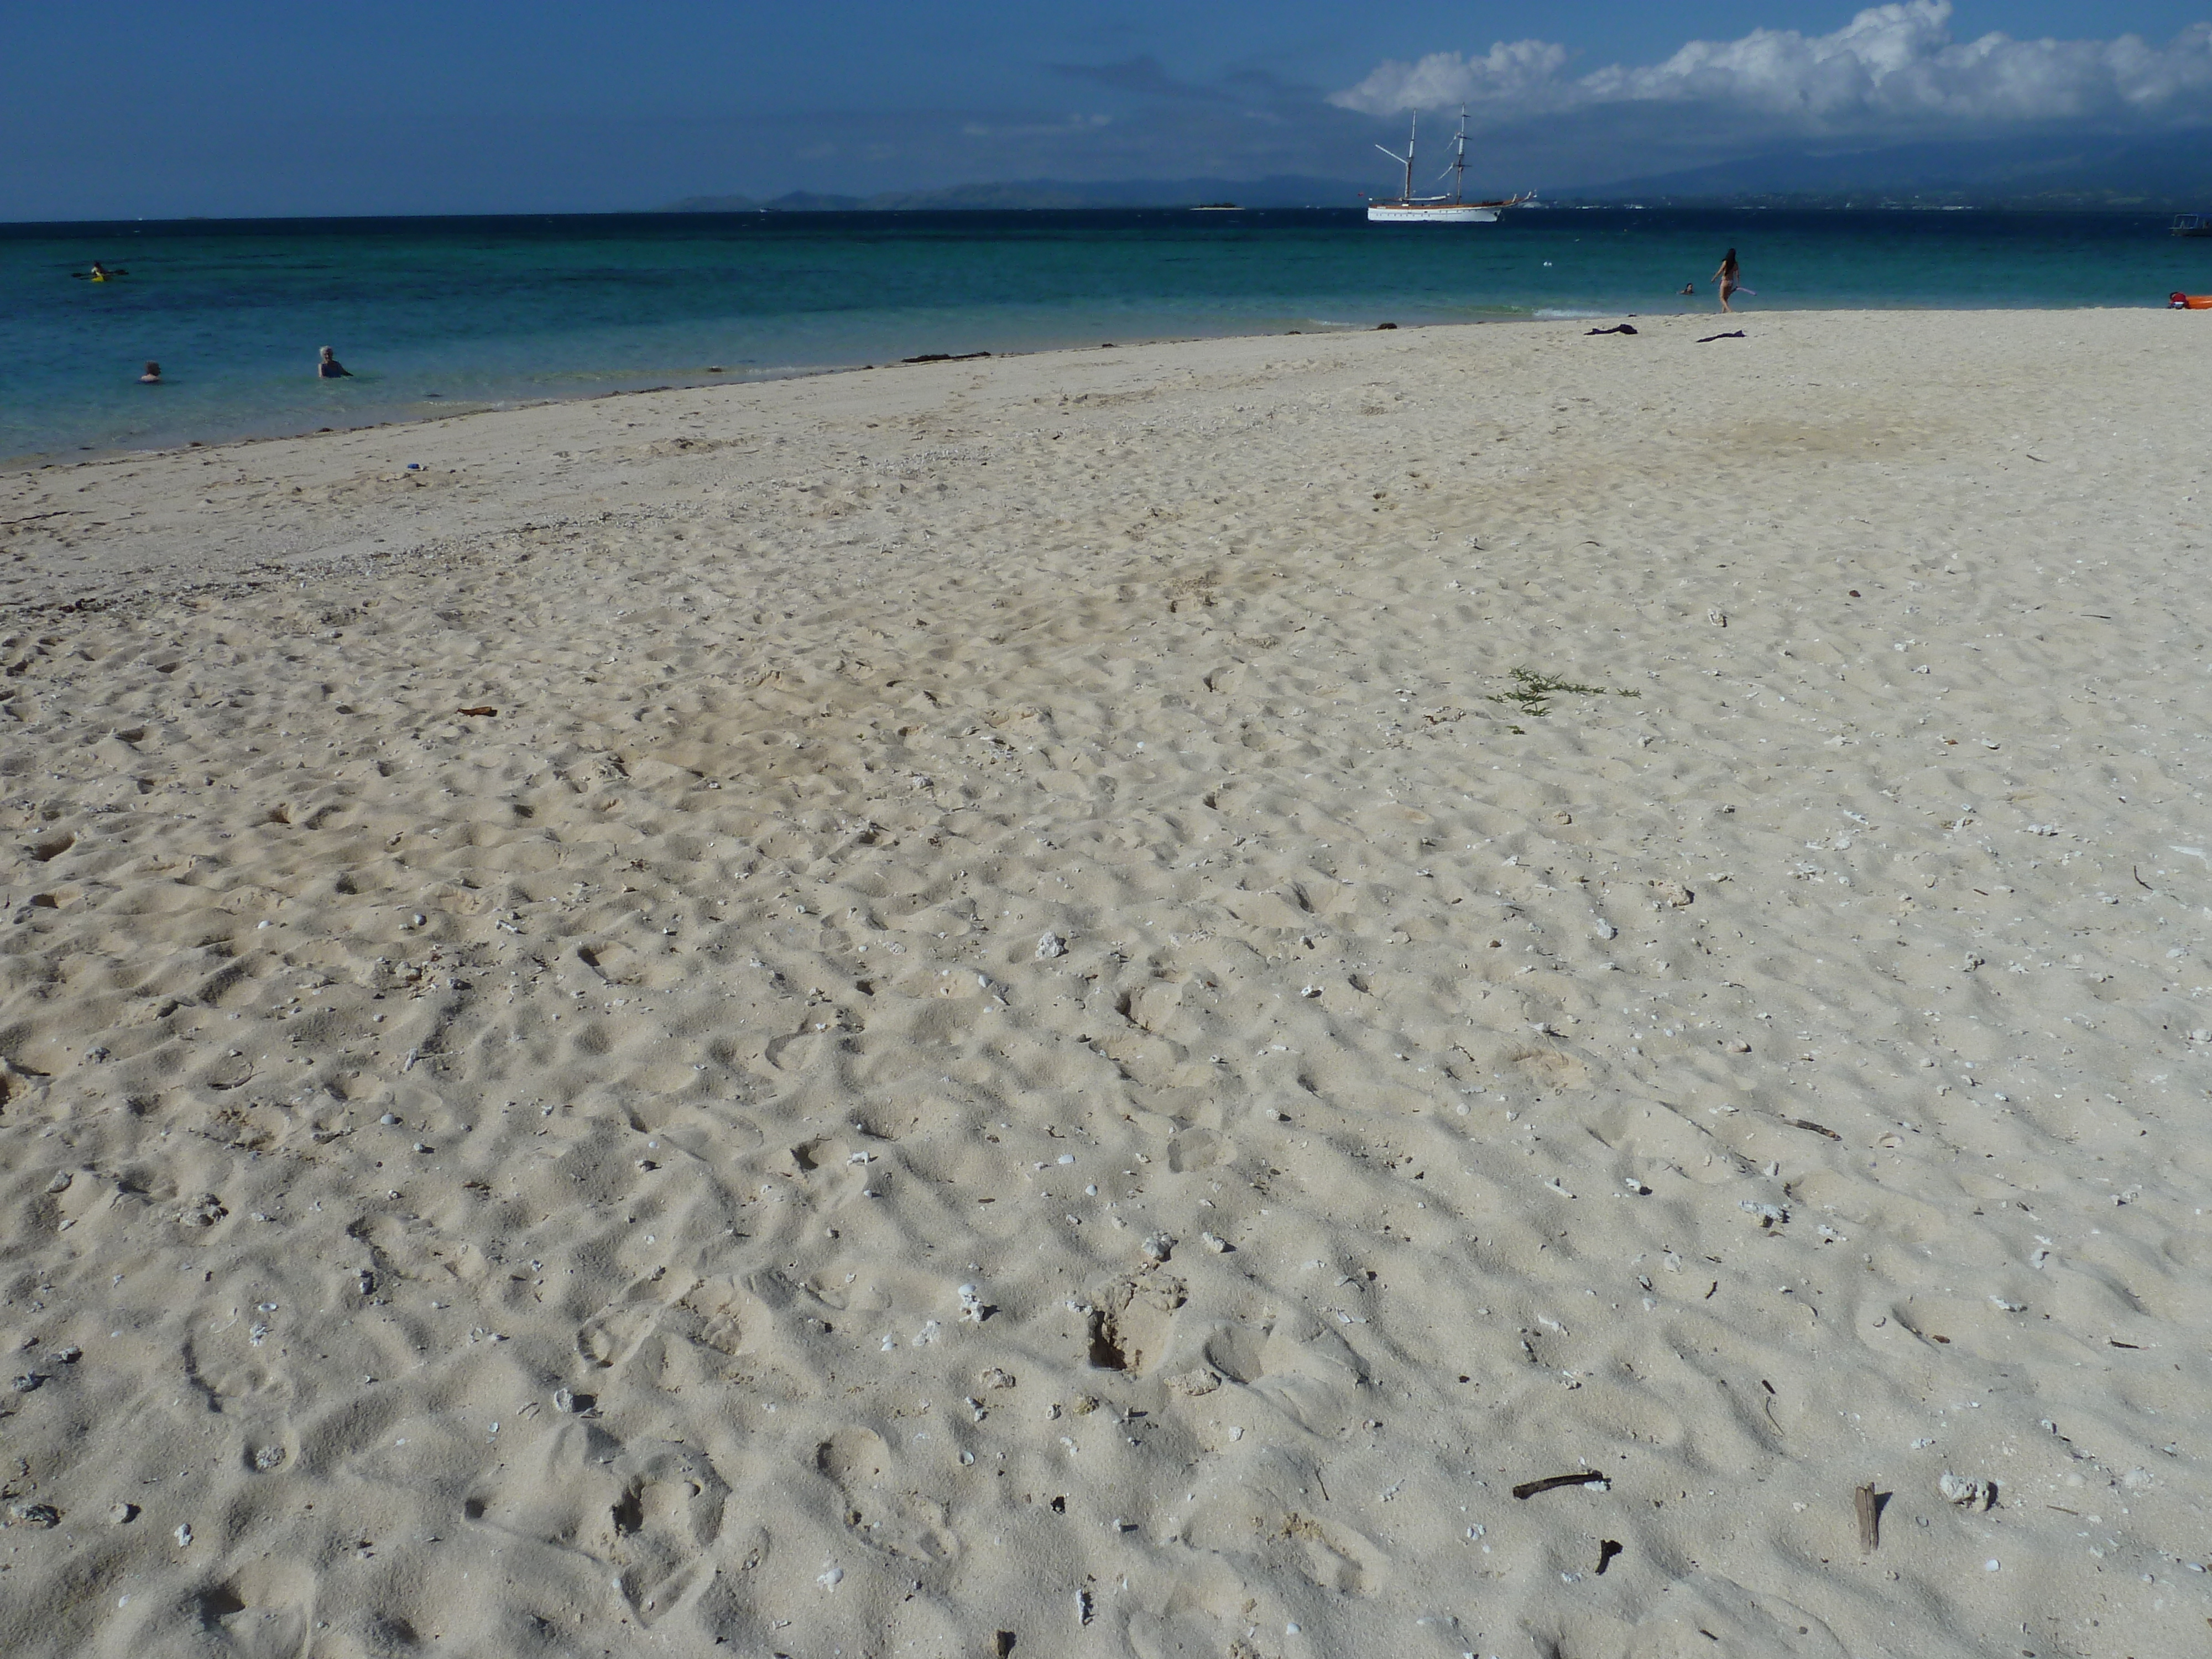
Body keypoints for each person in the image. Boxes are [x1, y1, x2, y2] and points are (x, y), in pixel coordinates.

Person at [1713, 249, 1741, 313]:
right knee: (1726, 298)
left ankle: (1729, 310)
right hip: (1731, 281)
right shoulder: (1735, 264)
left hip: (1725, 281)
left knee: (1722, 298)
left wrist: (1714, 278)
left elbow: (1720, 271)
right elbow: (1737, 275)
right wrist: (1738, 283)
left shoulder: (1726, 262)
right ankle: (1723, 312)